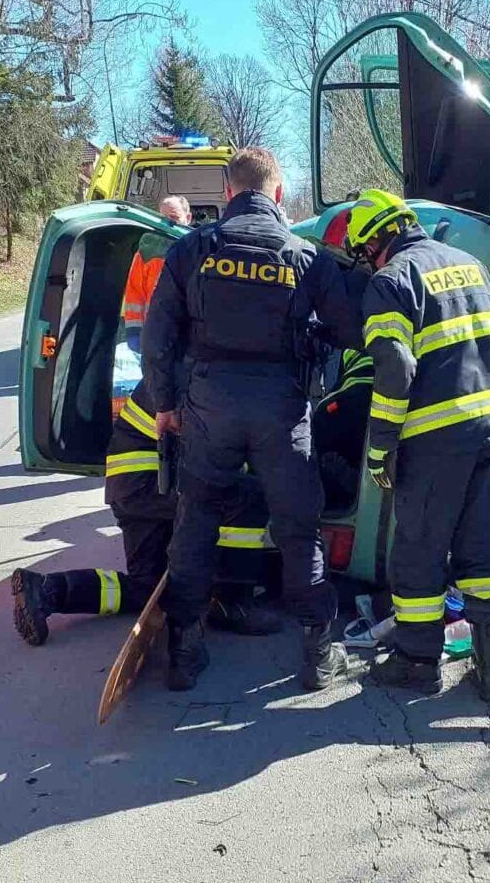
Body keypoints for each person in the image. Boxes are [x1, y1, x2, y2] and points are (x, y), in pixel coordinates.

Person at [144, 146, 360, 692]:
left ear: (228, 193)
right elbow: (349, 330)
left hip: (209, 405)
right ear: (279, 194)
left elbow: (159, 336)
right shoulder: (307, 257)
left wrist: (166, 405)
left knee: (195, 524)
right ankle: (317, 652)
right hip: (281, 411)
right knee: (297, 528)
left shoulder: (194, 248)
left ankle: (185, 652)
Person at [344, 189, 490, 701]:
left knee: (419, 551)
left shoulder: (391, 281)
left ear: (377, 239)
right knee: (482, 548)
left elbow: (395, 368)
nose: (367, 261)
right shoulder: (469, 263)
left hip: (437, 438)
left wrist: (380, 446)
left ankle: (418, 663)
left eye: (364, 251)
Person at [11, 379, 281, 644]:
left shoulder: (180, 367)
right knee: (247, 496)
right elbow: (215, 455)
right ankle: (232, 603)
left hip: (133, 490)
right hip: (150, 485)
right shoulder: (193, 377)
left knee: (147, 588)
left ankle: (46, 591)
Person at [121, 196, 193, 353]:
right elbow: (134, 294)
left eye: (173, 218)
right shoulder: (147, 249)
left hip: (188, 338)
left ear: (188, 218)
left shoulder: (198, 249)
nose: (167, 223)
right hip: (154, 335)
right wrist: (134, 331)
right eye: (162, 218)